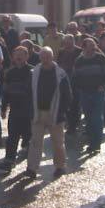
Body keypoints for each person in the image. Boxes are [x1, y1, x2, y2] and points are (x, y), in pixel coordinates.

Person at [26, 47, 72, 180]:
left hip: (55, 113)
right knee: (35, 142)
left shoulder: (61, 74)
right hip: (37, 113)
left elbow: (67, 95)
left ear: (52, 57)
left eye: (47, 57)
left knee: (58, 142)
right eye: (42, 57)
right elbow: (28, 92)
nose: (45, 59)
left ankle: (59, 166)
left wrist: (62, 111)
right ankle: (32, 168)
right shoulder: (33, 73)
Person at [71, 37, 105, 154]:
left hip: (98, 92)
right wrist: (79, 88)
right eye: (89, 45)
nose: (92, 47)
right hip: (85, 93)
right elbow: (75, 78)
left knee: (97, 118)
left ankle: (96, 143)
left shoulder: (101, 58)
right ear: (84, 47)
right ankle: (91, 141)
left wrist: (103, 85)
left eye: (93, 45)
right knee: (89, 118)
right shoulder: (79, 61)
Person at [0, 46, 33, 173]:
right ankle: (9, 160)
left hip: (29, 110)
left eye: (21, 54)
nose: (18, 57)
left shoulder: (32, 71)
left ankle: (31, 165)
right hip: (15, 109)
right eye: (16, 54)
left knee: (29, 137)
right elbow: (5, 92)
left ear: (26, 56)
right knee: (12, 136)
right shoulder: (9, 73)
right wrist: (3, 108)